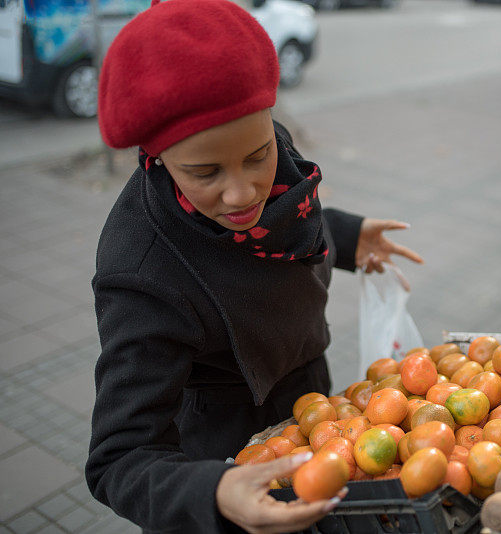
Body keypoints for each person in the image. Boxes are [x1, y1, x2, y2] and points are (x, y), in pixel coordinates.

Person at [84, 1, 422, 532]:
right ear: (159, 157)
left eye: (258, 155)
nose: (242, 193)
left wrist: (345, 235)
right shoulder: (142, 270)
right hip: (227, 451)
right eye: (205, 172)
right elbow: (119, 458)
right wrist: (214, 491)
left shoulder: (269, 153)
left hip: (313, 405)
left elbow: (278, 230)